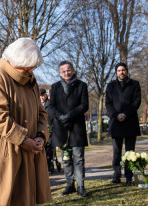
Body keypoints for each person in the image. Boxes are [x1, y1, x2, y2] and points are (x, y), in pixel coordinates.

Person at [0, 38, 51, 206]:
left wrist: (41, 135)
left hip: (28, 153)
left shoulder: (31, 81)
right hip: (3, 156)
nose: (30, 71)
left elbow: (41, 113)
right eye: (28, 68)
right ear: (17, 61)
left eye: (33, 68)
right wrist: (24, 140)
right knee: (2, 200)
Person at [46, 61, 90, 197]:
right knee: (66, 158)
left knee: (78, 157)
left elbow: (84, 105)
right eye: (63, 71)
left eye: (69, 70)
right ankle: (69, 184)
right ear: (60, 73)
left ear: (73, 70)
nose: (66, 73)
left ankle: (81, 186)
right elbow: (51, 106)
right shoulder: (55, 87)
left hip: (76, 127)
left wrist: (70, 115)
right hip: (61, 127)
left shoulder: (82, 86)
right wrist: (61, 117)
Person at [105, 62, 142, 185]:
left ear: (127, 71)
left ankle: (129, 176)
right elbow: (108, 103)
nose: (121, 72)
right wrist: (116, 115)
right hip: (116, 123)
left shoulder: (135, 84)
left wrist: (126, 114)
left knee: (130, 152)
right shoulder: (110, 86)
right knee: (116, 151)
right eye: (119, 70)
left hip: (130, 121)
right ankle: (116, 175)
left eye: (123, 70)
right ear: (116, 72)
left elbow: (137, 102)